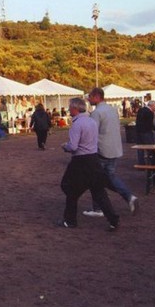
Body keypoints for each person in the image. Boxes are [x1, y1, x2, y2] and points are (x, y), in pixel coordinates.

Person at [58, 98, 120, 231]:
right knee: (98, 190)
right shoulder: (91, 121)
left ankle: (70, 220)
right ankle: (113, 218)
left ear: (75, 109)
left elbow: (73, 146)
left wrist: (65, 147)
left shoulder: (77, 124)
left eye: (70, 107)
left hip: (80, 161)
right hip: (93, 159)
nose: (69, 109)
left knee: (69, 188)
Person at [84, 88, 139, 217]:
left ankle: (98, 208)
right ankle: (129, 197)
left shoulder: (97, 113)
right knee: (110, 177)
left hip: (102, 150)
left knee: (95, 179)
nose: (89, 99)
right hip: (114, 148)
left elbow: (92, 132)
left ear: (97, 97)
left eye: (90, 97)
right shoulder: (112, 110)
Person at [135, 100, 155, 165]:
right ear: (152, 106)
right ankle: (152, 163)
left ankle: (141, 163)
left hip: (138, 131)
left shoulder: (141, 110)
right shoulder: (149, 112)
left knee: (140, 149)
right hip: (146, 132)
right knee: (150, 148)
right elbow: (150, 125)